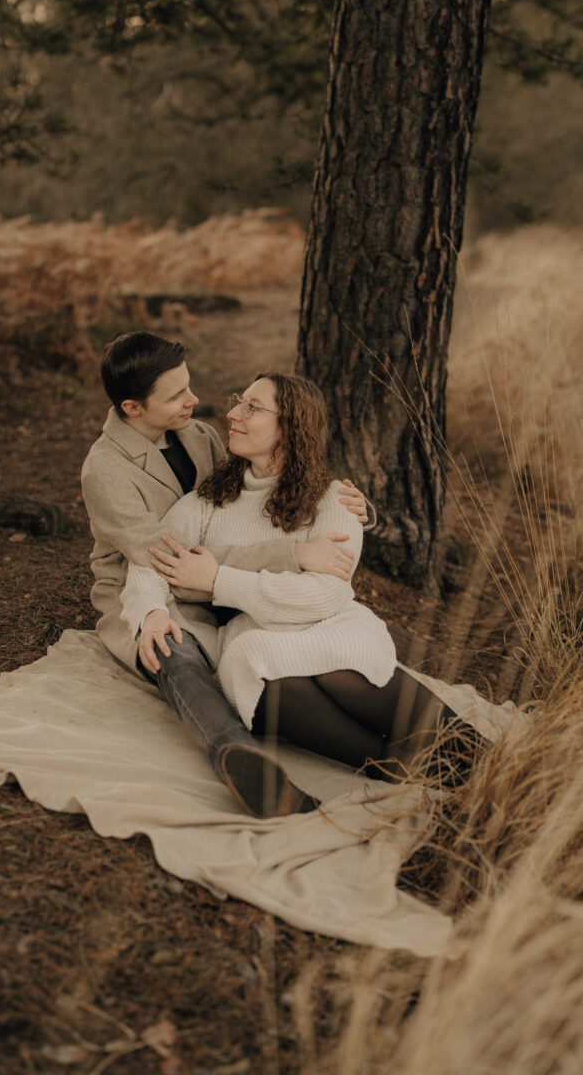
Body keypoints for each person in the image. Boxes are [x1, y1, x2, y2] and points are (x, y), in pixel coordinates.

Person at [121, 372, 460, 805]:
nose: (232, 414)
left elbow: (326, 596)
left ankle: (480, 759)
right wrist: (151, 611)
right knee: (254, 662)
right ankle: (434, 771)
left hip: (330, 628)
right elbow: (152, 560)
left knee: (340, 664)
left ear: (291, 426)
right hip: (255, 646)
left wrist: (218, 581)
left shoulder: (334, 500)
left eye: (252, 407)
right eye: (238, 401)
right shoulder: (206, 502)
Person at [81, 333, 372, 816]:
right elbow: (169, 558)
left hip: (214, 584)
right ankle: (240, 758)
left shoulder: (199, 435)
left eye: (188, 386)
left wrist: (350, 506)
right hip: (149, 589)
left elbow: (249, 496)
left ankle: (379, 734)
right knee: (174, 655)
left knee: (308, 638)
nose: (194, 401)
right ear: (132, 407)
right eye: (176, 396)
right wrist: (292, 554)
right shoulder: (105, 471)